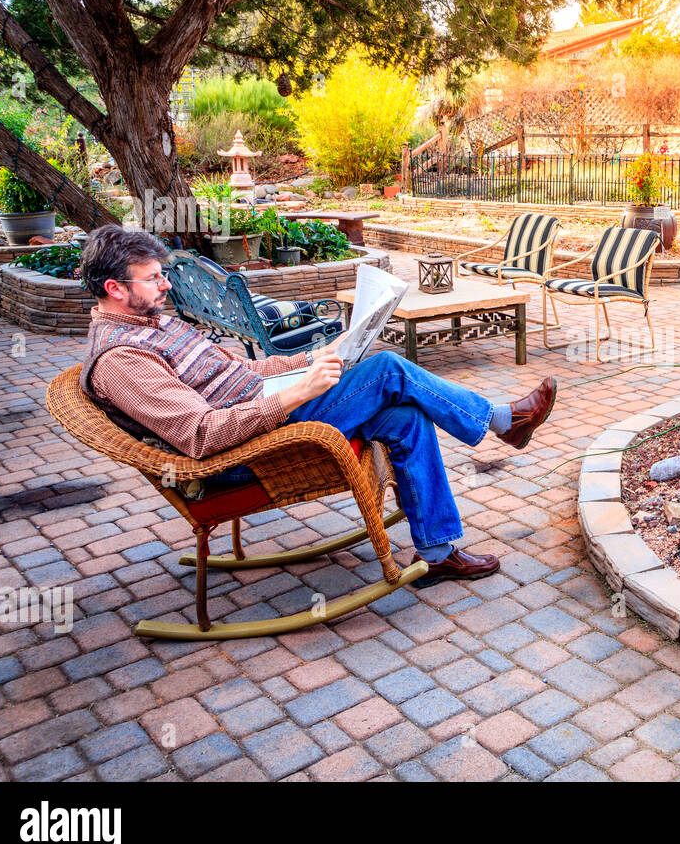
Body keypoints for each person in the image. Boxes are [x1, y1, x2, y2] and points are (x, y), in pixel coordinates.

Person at [76, 224, 557, 587]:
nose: (165, 286)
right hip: (247, 453)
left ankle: (436, 551)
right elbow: (200, 435)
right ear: (115, 289)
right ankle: (502, 421)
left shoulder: (155, 324)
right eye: (154, 279)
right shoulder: (122, 361)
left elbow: (241, 374)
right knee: (388, 369)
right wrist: (296, 393)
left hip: (265, 412)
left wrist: (315, 358)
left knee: (406, 415)